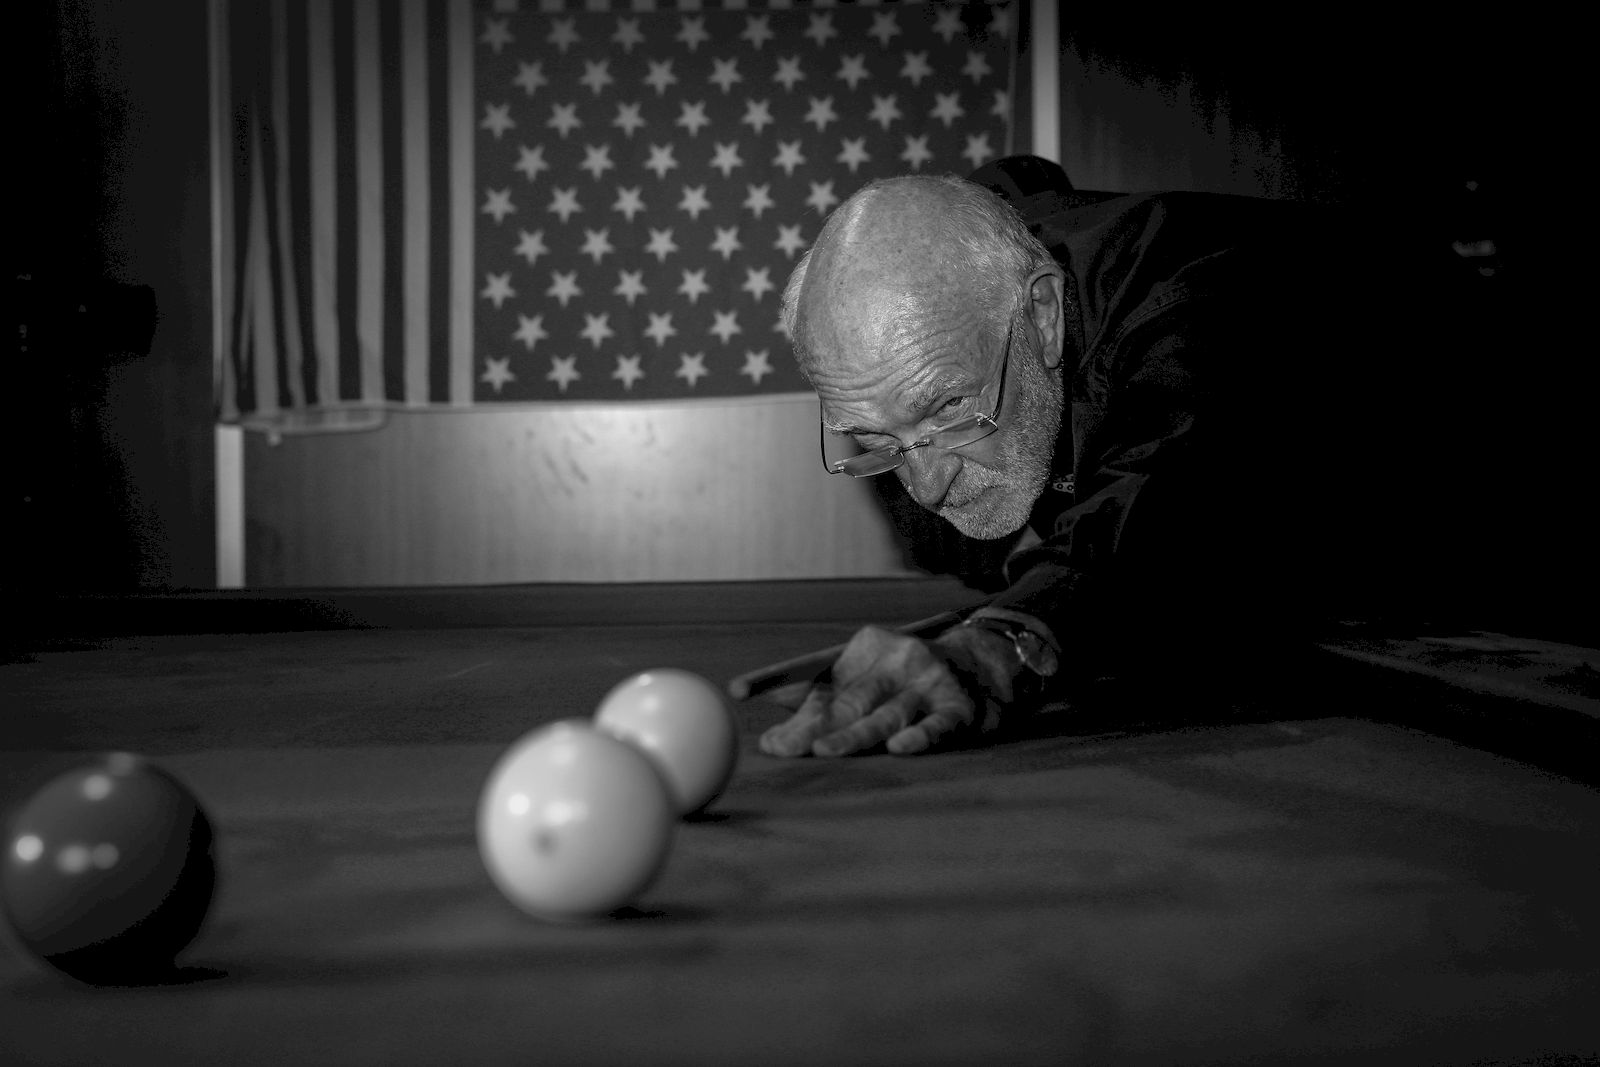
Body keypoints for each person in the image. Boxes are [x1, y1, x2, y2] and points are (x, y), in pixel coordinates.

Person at [758, 168, 1495, 759]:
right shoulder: (947, 324)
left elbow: (1173, 488)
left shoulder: (1192, 296)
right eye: (876, 439)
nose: (925, 484)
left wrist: (1006, 639)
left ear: (1043, 315)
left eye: (948, 406)